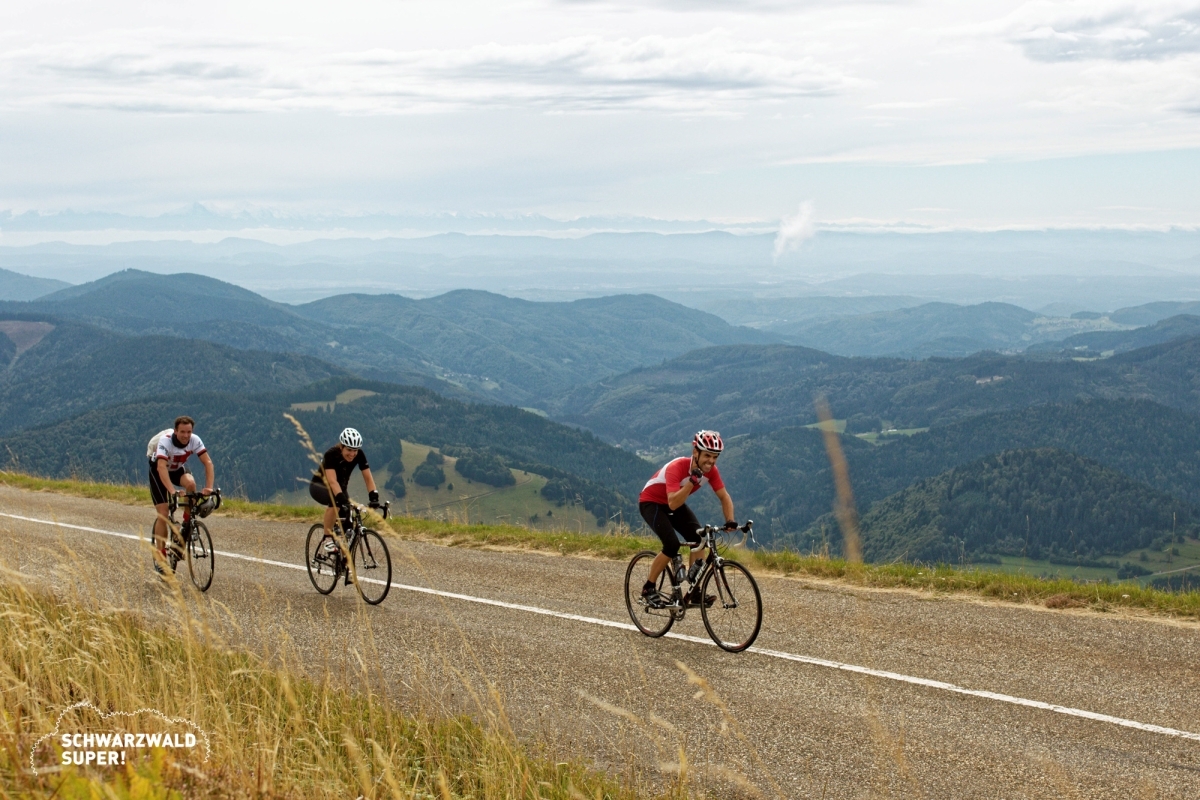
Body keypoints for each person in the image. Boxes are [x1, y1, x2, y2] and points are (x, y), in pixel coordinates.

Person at [638, 430, 737, 606]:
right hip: (651, 503)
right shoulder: (677, 467)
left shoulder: (712, 471)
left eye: (715, 457)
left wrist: (729, 520)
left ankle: (695, 591)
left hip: (675, 502)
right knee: (672, 544)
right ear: (695, 452)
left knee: (699, 538)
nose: (711, 461)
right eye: (707, 455)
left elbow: (724, 496)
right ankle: (648, 588)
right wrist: (692, 481)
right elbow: (673, 503)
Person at [148, 416, 215, 571]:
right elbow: (161, 468)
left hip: (177, 468)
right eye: (182, 432)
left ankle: (186, 524)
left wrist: (209, 488)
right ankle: (161, 555)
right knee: (163, 513)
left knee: (191, 484)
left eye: (189, 432)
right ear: (176, 431)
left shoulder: (195, 440)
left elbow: (208, 462)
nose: (186, 435)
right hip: (158, 471)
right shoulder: (166, 441)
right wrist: (172, 490)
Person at [309, 428, 381, 552]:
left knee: (349, 525)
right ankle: (327, 538)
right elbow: (332, 481)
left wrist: (373, 496)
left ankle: (343, 562)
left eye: (355, 450)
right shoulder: (331, 455)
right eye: (349, 450)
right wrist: (342, 499)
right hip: (319, 487)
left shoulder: (360, 455)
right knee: (336, 502)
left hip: (340, 488)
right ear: (341, 446)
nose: (352, 454)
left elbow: (368, 477)